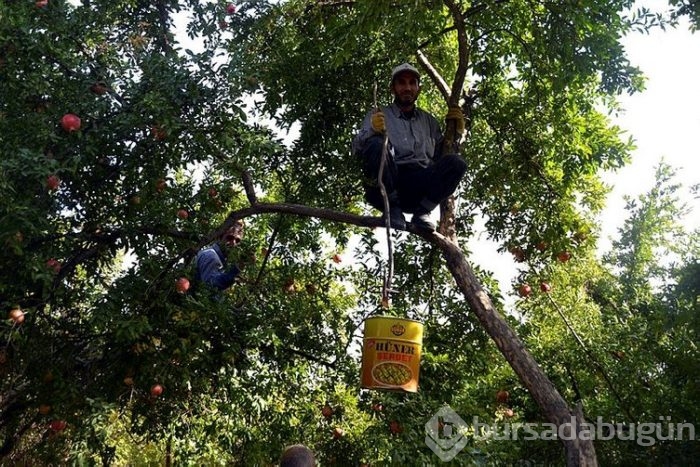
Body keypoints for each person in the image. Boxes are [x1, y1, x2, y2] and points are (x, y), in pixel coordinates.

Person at [352, 63, 467, 231]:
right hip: (388, 184)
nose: (407, 88)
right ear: (393, 88)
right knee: (376, 145)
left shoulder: (429, 122)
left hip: (418, 187)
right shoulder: (379, 114)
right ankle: (392, 209)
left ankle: (423, 213)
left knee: (457, 163)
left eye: (412, 83)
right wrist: (372, 130)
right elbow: (357, 149)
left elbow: (443, 156)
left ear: (418, 89)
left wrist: (457, 132)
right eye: (402, 83)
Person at [194, 220, 244, 292]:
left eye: (237, 241)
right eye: (229, 238)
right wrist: (235, 270)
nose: (233, 243)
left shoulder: (222, 260)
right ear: (219, 237)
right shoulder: (211, 256)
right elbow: (210, 286)